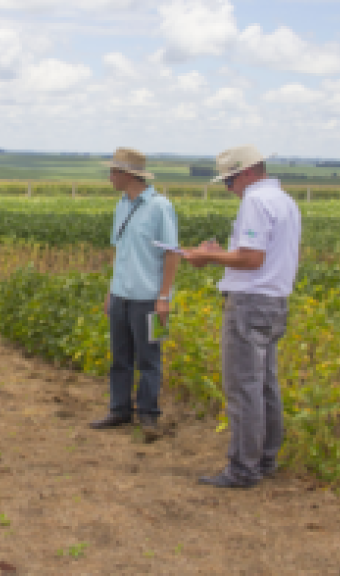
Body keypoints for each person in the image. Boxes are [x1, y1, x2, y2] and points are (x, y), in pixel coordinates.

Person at [182, 145, 301, 489]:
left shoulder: (255, 201)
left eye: (229, 180)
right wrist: (222, 254)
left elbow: (251, 259)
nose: (228, 188)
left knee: (243, 387)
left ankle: (243, 468)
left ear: (247, 173)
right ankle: (266, 458)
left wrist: (208, 258)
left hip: (250, 302)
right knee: (265, 385)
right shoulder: (285, 201)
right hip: (276, 300)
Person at [89, 148, 180, 439]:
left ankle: (149, 415)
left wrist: (164, 297)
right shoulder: (121, 206)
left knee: (150, 358)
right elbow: (120, 252)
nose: (109, 177)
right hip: (121, 295)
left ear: (128, 174)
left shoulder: (160, 206)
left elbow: (172, 255)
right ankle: (119, 410)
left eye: (113, 172)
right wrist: (110, 291)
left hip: (150, 299)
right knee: (120, 356)